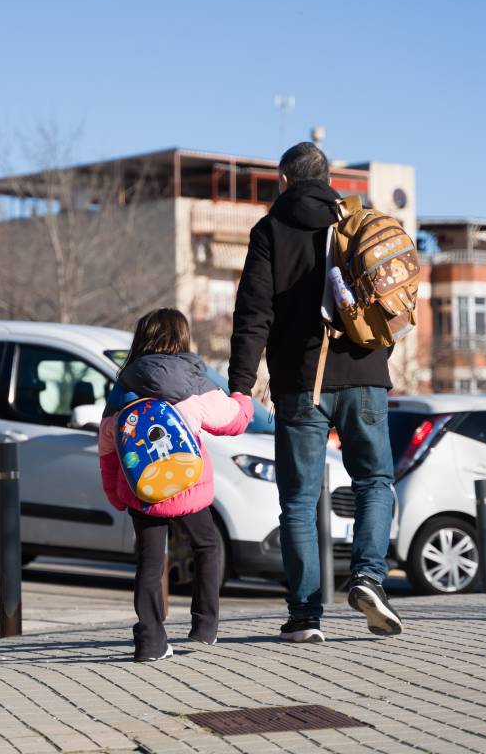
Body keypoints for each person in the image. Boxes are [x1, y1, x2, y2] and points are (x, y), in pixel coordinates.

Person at [229, 142, 403, 642]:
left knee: (300, 501)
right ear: (327, 179)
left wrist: (241, 385)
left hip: (301, 382)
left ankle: (305, 616)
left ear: (284, 181)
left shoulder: (270, 231)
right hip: (365, 374)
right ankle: (369, 577)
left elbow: (253, 314)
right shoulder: (358, 220)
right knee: (374, 481)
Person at [98, 308, 253, 661]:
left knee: (150, 561)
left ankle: (151, 641)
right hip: (188, 484)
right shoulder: (193, 381)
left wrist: (115, 493)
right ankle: (204, 627)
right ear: (181, 338)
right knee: (207, 545)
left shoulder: (125, 386)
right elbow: (234, 421)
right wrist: (243, 398)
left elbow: (107, 444)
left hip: (143, 489)